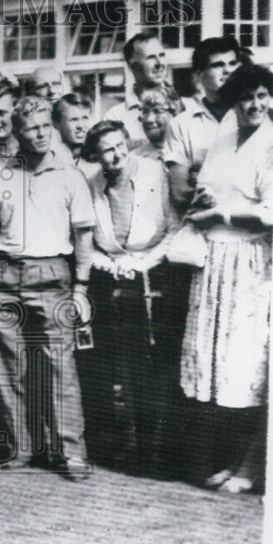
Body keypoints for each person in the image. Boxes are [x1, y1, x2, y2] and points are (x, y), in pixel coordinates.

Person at [0, 96, 94, 481]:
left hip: (53, 277)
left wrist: (80, 287)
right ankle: (21, 447)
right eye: (31, 128)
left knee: (60, 369)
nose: (40, 134)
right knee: (9, 369)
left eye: (45, 126)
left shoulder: (70, 175)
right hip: (5, 277)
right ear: (18, 132)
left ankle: (71, 453)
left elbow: (83, 234)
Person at [179, 64, 273, 495]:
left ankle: (247, 465)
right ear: (234, 102)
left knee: (244, 362)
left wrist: (219, 213)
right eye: (246, 98)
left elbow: (272, 213)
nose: (254, 105)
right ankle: (218, 460)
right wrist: (207, 200)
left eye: (261, 96)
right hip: (213, 261)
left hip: (249, 262)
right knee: (213, 362)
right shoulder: (223, 138)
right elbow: (209, 187)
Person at [81, 120, 181, 477]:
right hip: (113, 284)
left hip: (157, 278)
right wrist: (112, 266)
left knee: (153, 368)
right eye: (108, 149)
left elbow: (174, 228)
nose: (117, 154)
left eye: (121, 145)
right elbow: (87, 243)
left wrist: (144, 263)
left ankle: (156, 451)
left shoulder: (155, 173)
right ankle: (127, 445)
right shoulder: (91, 185)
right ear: (95, 155)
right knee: (119, 367)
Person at [164, 36, 242, 211]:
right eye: (218, 65)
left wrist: (202, 179)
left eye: (232, 63)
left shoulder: (255, 117)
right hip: (202, 226)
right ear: (199, 74)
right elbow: (181, 193)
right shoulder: (181, 125)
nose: (228, 70)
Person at [102, 32, 171, 151]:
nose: (159, 63)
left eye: (162, 55)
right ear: (132, 66)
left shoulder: (187, 108)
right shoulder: (115, 116)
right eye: (150, 57)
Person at [134, 86, 179, 161]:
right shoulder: (134, 159)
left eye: (158, 111)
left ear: (175, 113)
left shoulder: (190, 154)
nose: (149, 119)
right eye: (145, 111)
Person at [52, 92, 94, 163]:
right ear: (56, 124)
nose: (80, 126)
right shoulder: (50, 159)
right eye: (74, 119)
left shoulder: (98, 158)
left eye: (85, 118)